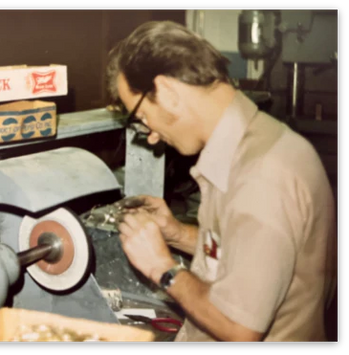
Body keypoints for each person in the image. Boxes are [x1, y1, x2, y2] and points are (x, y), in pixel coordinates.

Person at [106, 20, 337, 342]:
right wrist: (177, 235)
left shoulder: (261, 173)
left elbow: (239, 328)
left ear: (169, 93)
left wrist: (163, 268)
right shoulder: (252, 144)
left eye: (143, 118)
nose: (153, 136)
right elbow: (251, 255)